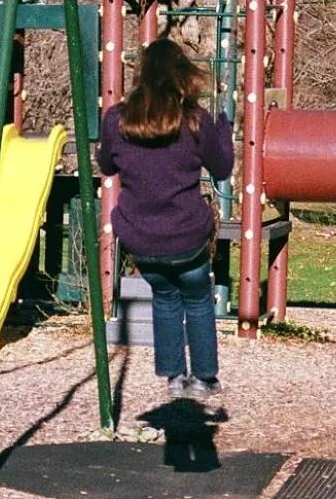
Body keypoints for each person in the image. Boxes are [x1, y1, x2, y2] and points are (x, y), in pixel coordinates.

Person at [96, 39, 235, 399]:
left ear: (142, 74)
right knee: (197, 298)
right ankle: (203, 378)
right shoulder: (194, 120)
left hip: (141, 238)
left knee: (165, 296)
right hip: (186, 235)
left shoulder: (118, 118)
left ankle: (174, 376)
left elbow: (107, 166)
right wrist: (224, 129)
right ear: (181, 75)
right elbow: (222, 167)